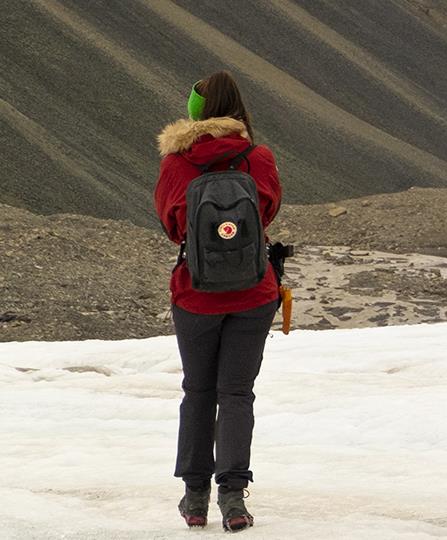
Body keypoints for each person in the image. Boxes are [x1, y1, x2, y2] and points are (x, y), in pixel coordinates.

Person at [153, 70, 281, 532]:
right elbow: (266, 213)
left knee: (198, 391)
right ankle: (233, 496)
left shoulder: (175, 164)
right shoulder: (258, 157)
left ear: (195, 112)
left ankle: (194, 496)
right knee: (236, 393)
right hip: (254, 291)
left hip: (195, 294)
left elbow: (172, 227)